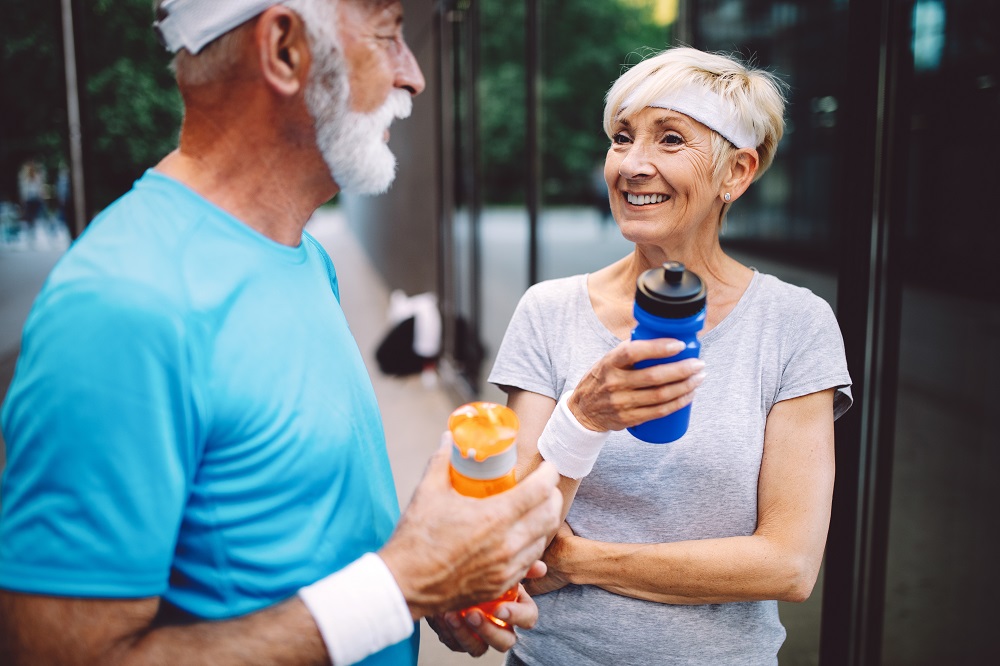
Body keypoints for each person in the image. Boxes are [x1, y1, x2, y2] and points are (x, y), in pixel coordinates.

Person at [0, 2, 562, 665]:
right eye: (388, 35)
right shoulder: (119, 305)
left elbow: (303, 542)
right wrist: (400, 586)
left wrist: (432, 579)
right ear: (286, 50)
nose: (414, 77)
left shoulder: (302, 256)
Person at [488, 47, 853, 665]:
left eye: (670, 139)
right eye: (623, 137)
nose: (632, 165)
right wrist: (582, 417)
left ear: (736, 172)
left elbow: (788, 564)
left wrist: (584, 561)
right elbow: (515, 535)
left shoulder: (795, 324)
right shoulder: (548, 312)